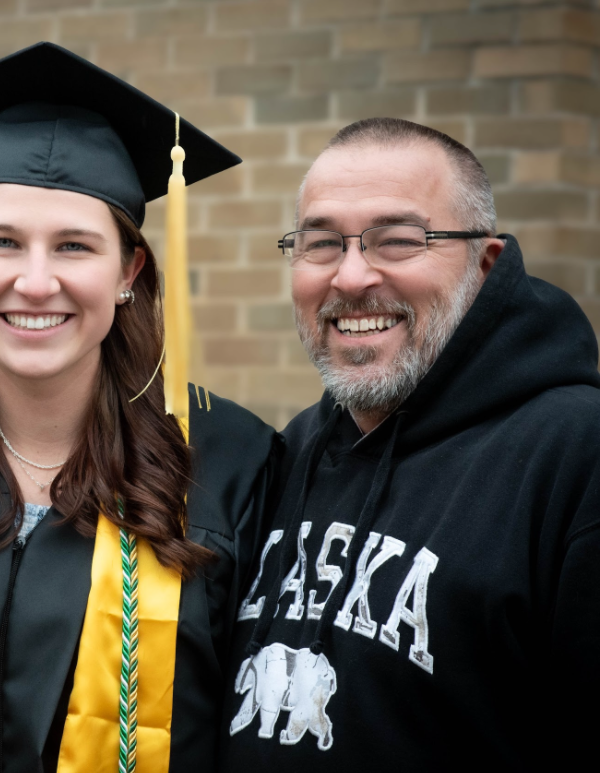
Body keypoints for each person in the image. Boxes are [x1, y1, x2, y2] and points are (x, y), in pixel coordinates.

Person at [0, 43, 277, 772]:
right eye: (0, 242)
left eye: (74, 247)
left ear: (128, 271)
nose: (34, 280)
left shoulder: (231, 463)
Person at [218, 118, 600, 769]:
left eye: (397, 241)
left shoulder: (574, 454)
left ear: (487, 264)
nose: (350, 276)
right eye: (319, 244)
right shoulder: (293, 450)